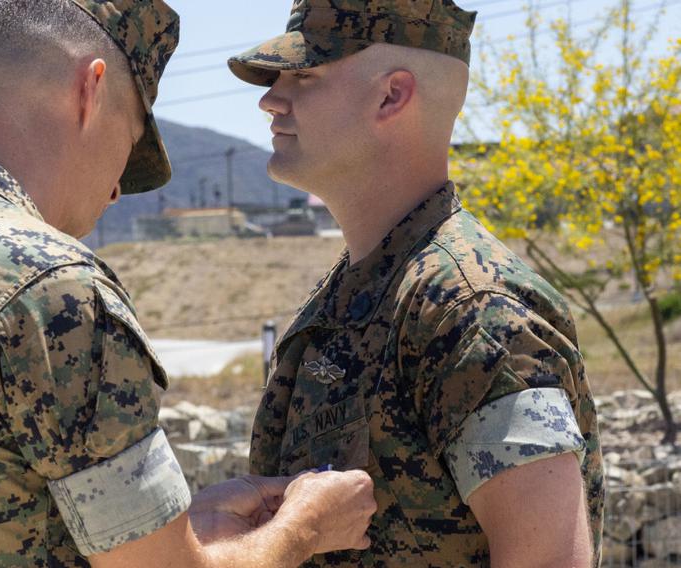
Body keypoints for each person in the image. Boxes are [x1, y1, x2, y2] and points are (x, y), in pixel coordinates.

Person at [0, 0, 377, 566]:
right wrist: (307, 526)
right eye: (128, 142)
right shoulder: (52, 287)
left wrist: (181, 524)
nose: (115, 193)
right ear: (91, 89)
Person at [227, 1, 604, 566]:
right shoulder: (364, 286)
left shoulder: (474, 312)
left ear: (391, 96)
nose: (271, 100)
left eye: (303, 75)